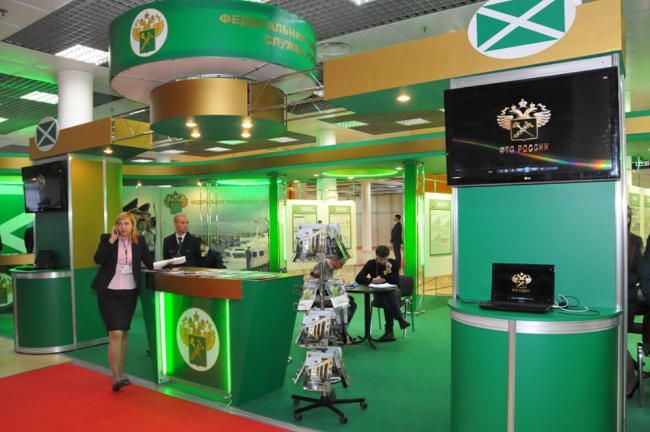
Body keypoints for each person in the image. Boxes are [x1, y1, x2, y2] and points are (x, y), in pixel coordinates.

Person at [90, 212, 153, 392]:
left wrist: (168, 270)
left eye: (126, 224)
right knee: (115, 333)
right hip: (109, 293)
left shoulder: (139, 241)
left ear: (133, 225)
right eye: (120, 224)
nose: (123, 227)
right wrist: (111, 240)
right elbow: (97, 259)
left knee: (123, 332)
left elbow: (150, 263)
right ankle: (115, 376)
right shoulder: (107, 239)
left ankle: (120, 371)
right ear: (116, 226)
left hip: (129, 293)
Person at [355, 245, 410, 342]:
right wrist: (372, 280)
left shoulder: (393, 263)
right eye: (381, 259)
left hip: (394, 291)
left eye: (385, 259)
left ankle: (390, 332)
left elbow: (396, 282)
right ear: (376, 256)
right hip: (379, 293)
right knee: (387, 299)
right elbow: (358, 278)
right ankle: (398, 320)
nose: (383, 261)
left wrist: (389, 271)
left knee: (390, 295)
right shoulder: (371, 263)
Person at [309, 257, 357, 324]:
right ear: (335, 260)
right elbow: (320, 285)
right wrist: (336, 283)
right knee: (347, 303)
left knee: (351, 303)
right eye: (341, 264)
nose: (341, 267)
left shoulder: (329, 268)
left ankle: (342, 327)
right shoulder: (321, 266)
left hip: (324, 295)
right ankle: (341, 327)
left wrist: (337, 283)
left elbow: (327, 283)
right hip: (317, 297)